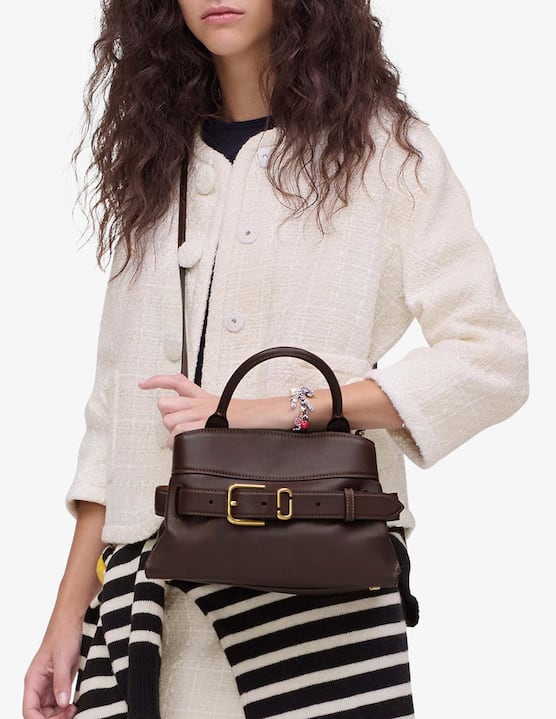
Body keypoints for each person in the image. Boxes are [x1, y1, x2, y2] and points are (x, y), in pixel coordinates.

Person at [22, 1, 529, 718]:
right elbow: (114, 419)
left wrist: (283, 409)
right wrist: (66, 616)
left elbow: (491, 356)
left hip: (315, 599)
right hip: (148, 614)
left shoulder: (384, 152)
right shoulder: (155, 164)